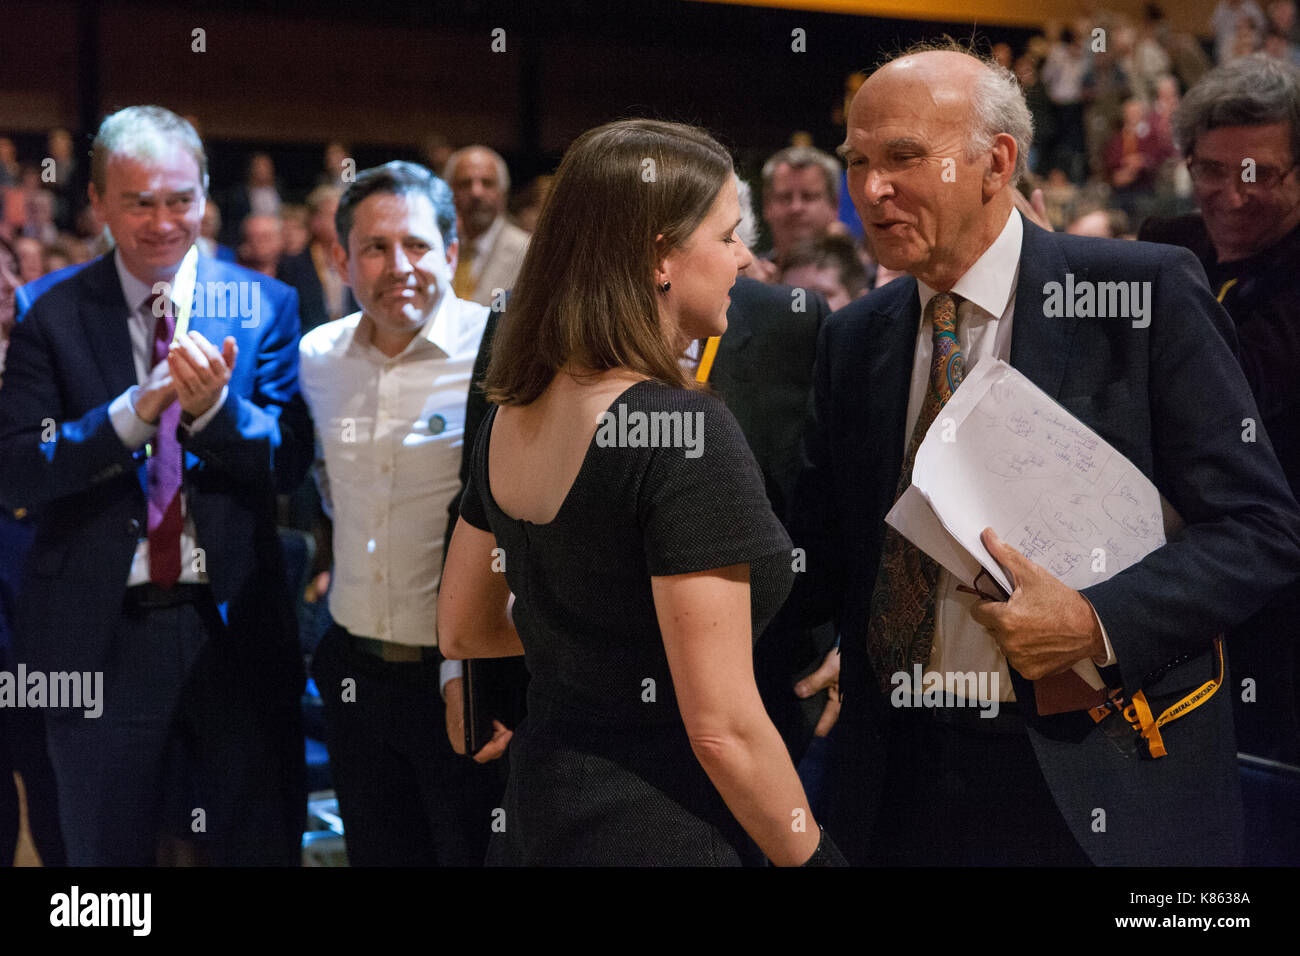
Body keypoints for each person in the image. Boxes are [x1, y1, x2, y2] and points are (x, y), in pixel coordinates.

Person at [788, 44, 1300, 866]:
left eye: (904, 159)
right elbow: (820, 552)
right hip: (898, 778)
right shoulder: (854, 336)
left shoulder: (1142, 294)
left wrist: (1096, 623)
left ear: (996, 163)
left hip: (1104, 771)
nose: (871, 189)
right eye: (859, 161)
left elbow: (1262, 529)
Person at [438, 118, 844, 866]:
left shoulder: (510, 413)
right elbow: (721, 728)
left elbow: (463, 627)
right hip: (665, 823)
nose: (745, 258)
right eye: (727, 237)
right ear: (661, 255)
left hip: (539, 813)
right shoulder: (684, 431)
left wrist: (591, 650)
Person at [0, 106, 313, 865]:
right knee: (105, 863)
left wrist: (215, 413)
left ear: (205, 194)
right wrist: (131, 416)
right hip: (98, 634)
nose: (163, 221)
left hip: (232, 625)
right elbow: (20, 466)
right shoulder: (51, 308)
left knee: (255, 843)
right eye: (138, 201)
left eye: (180, 198)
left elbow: (288, 464)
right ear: (99, 203)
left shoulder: (265, 305)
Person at [298, 161, 501, 865]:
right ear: (341, 258)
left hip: (468, 676)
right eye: (376, 248)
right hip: (353, 672)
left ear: (449, 252)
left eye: (417, 245)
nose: (399, 266)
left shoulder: (501, 351)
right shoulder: (317, 358)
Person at [1138, 53, 1300, 763]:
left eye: (1259, 174)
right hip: (1157, 584)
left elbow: (1245, 386)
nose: (1231, 196)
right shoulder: (1164, 244)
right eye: (1210, 170)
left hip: (1279, 596)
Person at [443, 146, 529, 307]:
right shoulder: (437, 246)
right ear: (450, 191)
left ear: (502, 193)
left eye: (487, 183)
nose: (476, 192)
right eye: (465, 183)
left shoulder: (526, 251)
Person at [759, 145, 842, 268]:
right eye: (785, 197)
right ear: (767, 205)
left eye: (808, 197)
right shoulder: (741, 281)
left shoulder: (868, 281)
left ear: (834, 205)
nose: (796, 207)